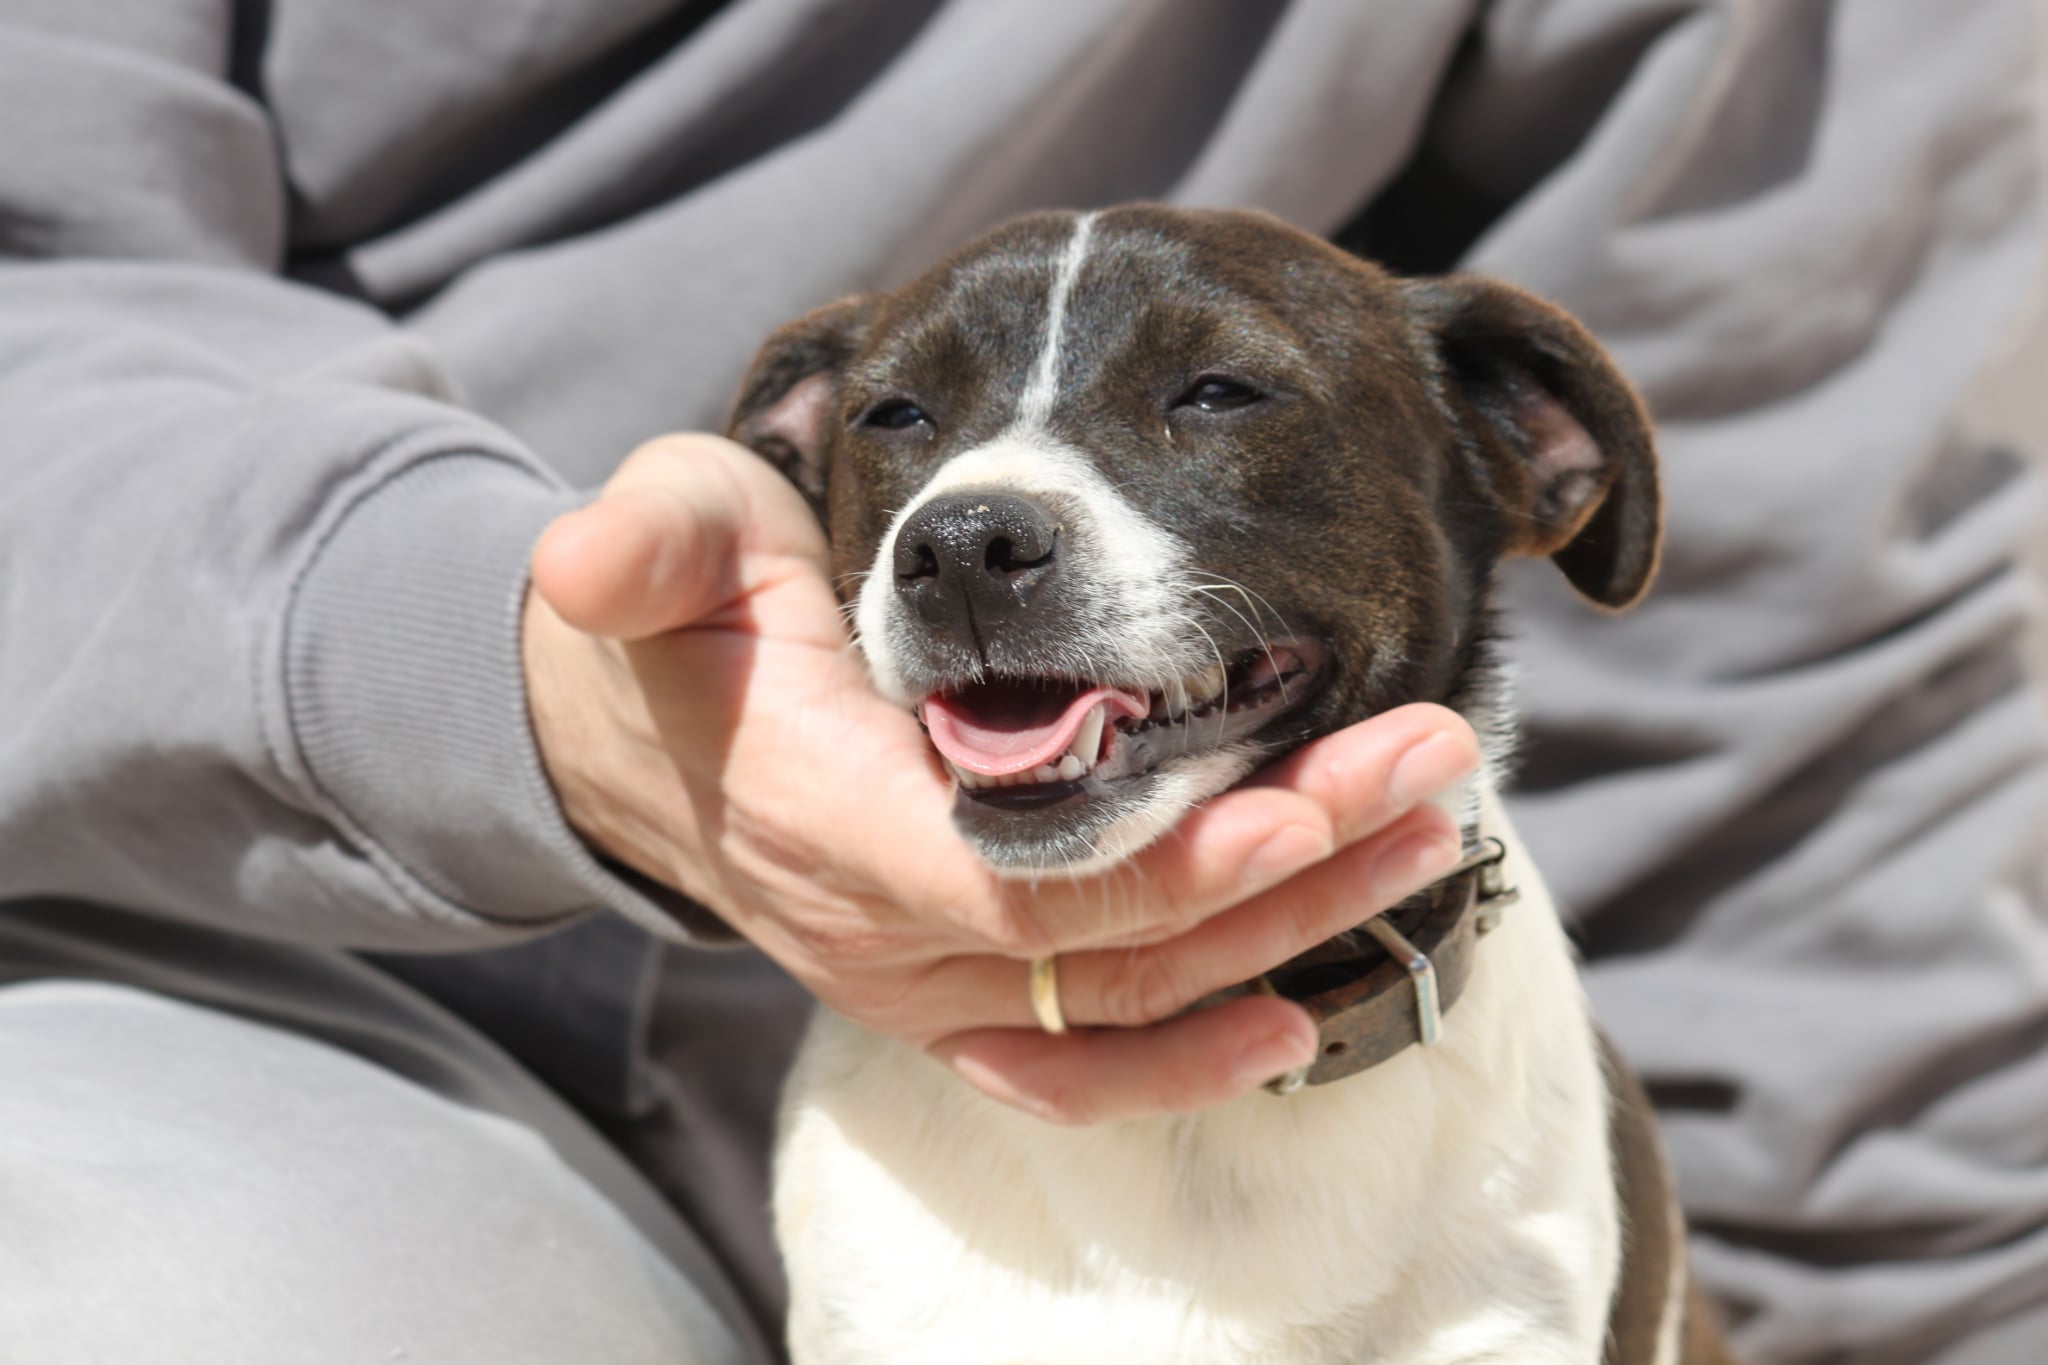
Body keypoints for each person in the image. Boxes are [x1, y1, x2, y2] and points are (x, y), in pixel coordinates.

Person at [1, 2, 2041, 1362]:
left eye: (1216, 394)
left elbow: (1831, 593)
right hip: (198, 908)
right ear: (798, 457)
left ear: (1543, 461)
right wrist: (493, 672)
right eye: (903, 427)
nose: (973, 516)